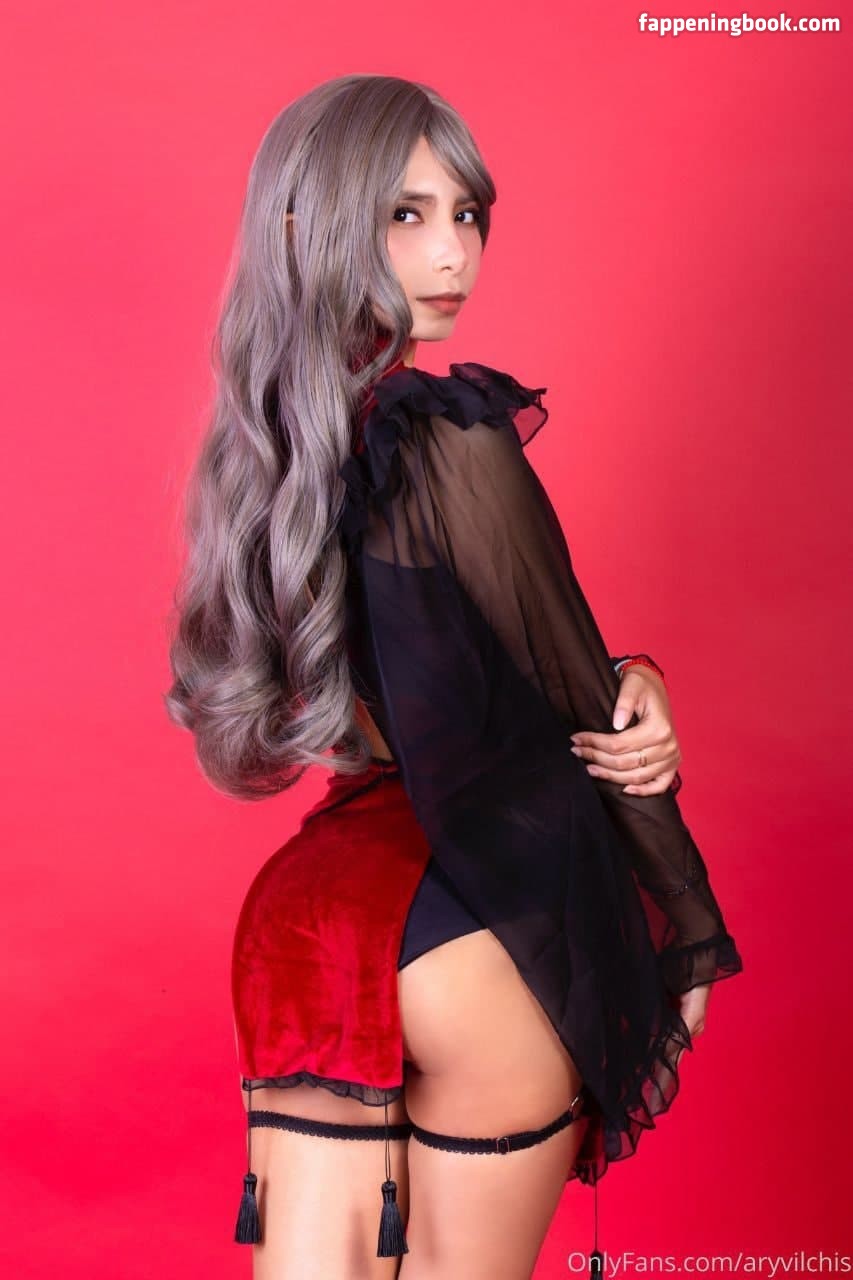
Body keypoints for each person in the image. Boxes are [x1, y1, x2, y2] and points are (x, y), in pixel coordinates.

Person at [164, 74, 743, 1280]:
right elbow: (571, 701)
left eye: (466, 214)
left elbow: (404, 683)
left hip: (310, 915)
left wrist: (629, 668)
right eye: (406, 213)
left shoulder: (265, 444)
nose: (451, 253)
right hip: (478, 917)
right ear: (308, 224)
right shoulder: (447, 434)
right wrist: (683, 929)